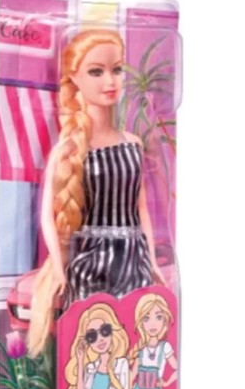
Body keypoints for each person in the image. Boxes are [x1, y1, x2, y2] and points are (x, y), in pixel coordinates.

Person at [28, 27, 164, 358]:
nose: (110, 81)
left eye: (116, 69)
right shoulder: (69, 149)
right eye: (96, 71)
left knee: (132, 342)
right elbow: (47, 217)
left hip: (134, 260)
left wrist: (152, 261)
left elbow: (141, 210)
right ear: (73, 78)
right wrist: (59, 269)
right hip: (90, 261)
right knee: (91, 342)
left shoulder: (133, 144)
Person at [63, 302, 130, 389]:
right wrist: (80, 361)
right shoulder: (90, 368)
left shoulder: (121, 364)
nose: (100, 339)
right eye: (92, 336)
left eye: (104, 330)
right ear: (87, 342)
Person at [130, 293, 177, 389]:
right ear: (141, 322)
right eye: (146, 318)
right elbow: (133, 374)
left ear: (165, 320)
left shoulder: (165, 347)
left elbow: (178, 369)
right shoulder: (141, 348)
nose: (153, 324)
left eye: (158, 317)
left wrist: (166, 383)